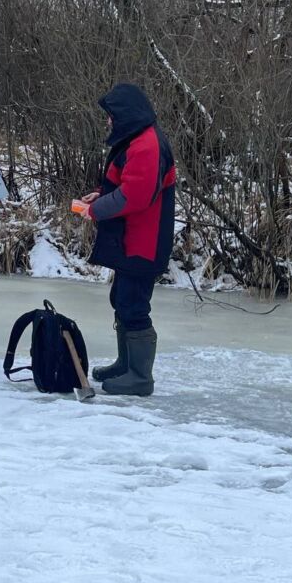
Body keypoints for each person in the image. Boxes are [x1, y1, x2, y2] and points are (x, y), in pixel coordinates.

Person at [80, 83, 176, 396]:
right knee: (121, 299)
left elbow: (135, 196)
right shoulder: (137, 139)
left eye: (110, 116)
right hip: (132, 239)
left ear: (125, 115)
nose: (107, 122)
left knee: (133, 304)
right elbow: (127, 183)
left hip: (144, 242)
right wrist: (102, 195)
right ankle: (126, 364)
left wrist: (95, 209)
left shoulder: (147, 144)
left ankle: (140, 377)